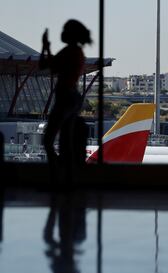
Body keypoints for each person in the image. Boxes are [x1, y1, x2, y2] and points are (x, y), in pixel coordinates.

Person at [40, 20, 92, 175]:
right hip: (72, 98)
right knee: (65, 142)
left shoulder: (70, 51)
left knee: (49, 141)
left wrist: (45, 47)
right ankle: (66, 177)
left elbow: (46, 66)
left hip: (65, 97)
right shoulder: (77, 52)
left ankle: (57, 175)